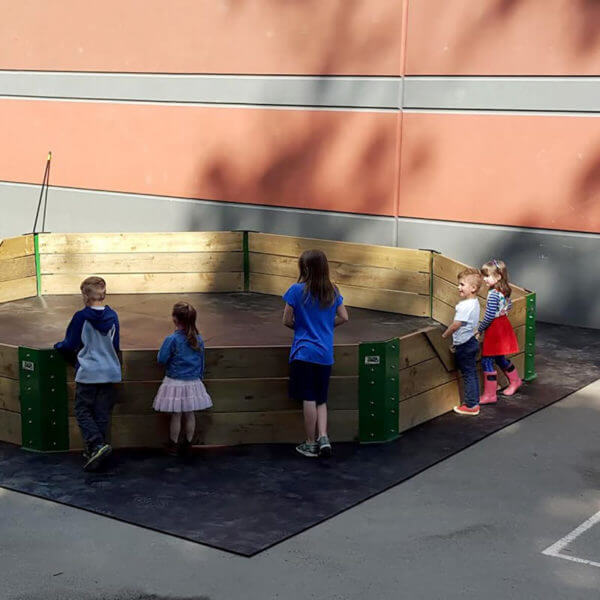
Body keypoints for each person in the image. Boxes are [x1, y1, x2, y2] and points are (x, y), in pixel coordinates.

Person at [282, 249, 349, 458]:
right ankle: (324, 436)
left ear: (305, 268)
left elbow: (286, 320)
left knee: (308, 397)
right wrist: (326, 327)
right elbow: (344, 317)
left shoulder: (295, 291)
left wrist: (303, 328)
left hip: (304, 352)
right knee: (322, 398)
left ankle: (310, 443)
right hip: (325, 354)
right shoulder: (333, 291)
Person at [54, 276, 121, 471]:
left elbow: (70, 344)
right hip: (109, 371)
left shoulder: (81, 317)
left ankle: (96, 444)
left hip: (89, 372)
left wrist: (58, 347)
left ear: (85, 295)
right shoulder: (113, 316)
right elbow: (115, 345)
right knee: (101, 412)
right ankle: (97, 452)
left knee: (82, 411)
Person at [153, 301, 212, 455]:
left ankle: (173, 444)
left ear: (174, 319)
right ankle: (188, 443)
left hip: (175, 381)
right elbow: (202, 361)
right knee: (190, 413)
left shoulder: (172, 339)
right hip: (193, 381)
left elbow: (161, 359)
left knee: (176, 414)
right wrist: (199, 377)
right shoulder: (198, 339)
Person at [476, 259, 522, 404]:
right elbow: (509, 306)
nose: (484, 279)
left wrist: (479, 328)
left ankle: (490, 394)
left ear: (498, 276)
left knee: (487, 360)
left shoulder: (494, 294)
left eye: (487, 276)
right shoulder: (505, 290)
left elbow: (489, 315)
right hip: (503, 325)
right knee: (500, 357)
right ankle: (515, 381)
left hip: (495, 328)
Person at [442, 268, 483, 416]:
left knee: (468, 373)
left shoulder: (465, 306)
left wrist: (445, 335)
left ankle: (471, 405)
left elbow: (456, 325)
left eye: (462, 284)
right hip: (470, 341)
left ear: (473, 288)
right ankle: (474, 402)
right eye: (458, 284)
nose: (458, 287)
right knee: (471, 372)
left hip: (465, 345)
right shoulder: (474, 303)